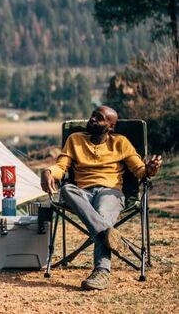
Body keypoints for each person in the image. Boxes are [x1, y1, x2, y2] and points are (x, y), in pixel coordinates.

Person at [41, 105, 162, 290]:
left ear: (111, 126)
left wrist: (149, 170)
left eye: (99, 118)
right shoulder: (75, 140)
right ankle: (107, 234)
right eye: (92, 115)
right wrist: (48, 171)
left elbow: (139, 170)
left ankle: (102, 272)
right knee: (66, 190)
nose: (93, 119)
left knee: (103, 212)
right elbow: (61, 166)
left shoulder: (120, 142)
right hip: (82, 194)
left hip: (110, 192)